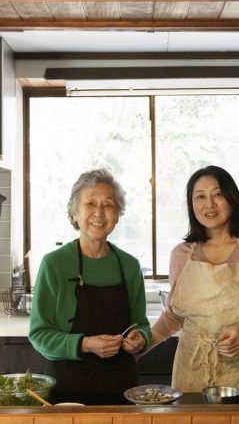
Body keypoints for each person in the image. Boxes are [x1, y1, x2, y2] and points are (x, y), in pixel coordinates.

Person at [151, 165, 239, 392]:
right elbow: (175, 315)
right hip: (191, 373)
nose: (209, 204)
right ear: (191, 204)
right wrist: (142, 343)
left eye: (218, 194)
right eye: (200, 196)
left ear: (232, 198)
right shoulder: (181, 254)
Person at [29, 169, 151, 405]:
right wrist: (84, 344)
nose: (99, 212)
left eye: (108, 205)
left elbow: (141, 324)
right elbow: (39, 334)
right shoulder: (54, 264)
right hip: (68, 392)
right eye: (90, 203)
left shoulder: (130, 265)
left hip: (122, 391)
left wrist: (140, 338)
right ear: (75, 213)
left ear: (117, 215)